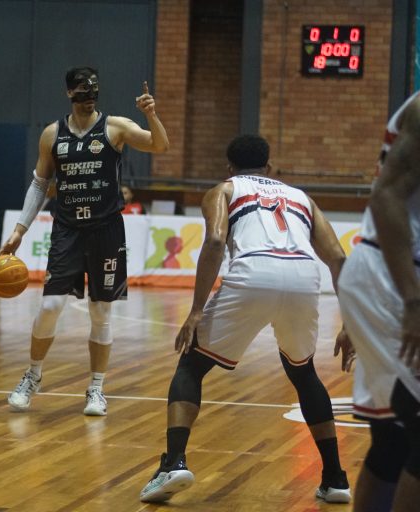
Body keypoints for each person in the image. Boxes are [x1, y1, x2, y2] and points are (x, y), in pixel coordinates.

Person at [139, 134, 354, 504]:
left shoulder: (224, 190)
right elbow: (338, 258)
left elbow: (215, 242)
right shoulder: (302, 198)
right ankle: (335, 478)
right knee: (304, 374)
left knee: (191, 366)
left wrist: (196, 310)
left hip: (254, 272)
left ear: (229, 167)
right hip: (304, 277)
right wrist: (350, 321)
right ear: (269, 167)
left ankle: (173, 463)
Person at [0, 66, 169, 416]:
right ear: (69, 93)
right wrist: (20, 229)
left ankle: (96, 388)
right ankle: (32, 375)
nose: (89, 97)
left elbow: (159, 145)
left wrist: (151, 115)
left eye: (94, 91)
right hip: (68, 230)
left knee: (100, 312)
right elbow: (40, 183)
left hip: (107, 230)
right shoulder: (52, 134)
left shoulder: (116, 127)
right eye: (83, 91)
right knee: (50, 306)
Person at [337, 93, 420, 512]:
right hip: (396, 277)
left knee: (392, 440)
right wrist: (412, 301)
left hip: (389, 275)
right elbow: (386, 196)